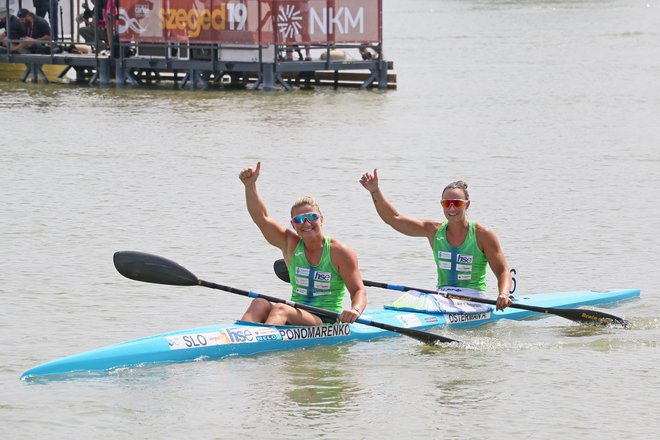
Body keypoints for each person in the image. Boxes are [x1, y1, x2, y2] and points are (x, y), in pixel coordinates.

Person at [359, 169, 513, 311]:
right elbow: (394, 219)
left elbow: (503, 271)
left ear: (467, 205)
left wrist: (504, 294)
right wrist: (375, 191)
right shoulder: (433, 230)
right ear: (442, 205)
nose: (451, 208)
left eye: (457, 203)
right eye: (447, 203)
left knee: (418, 300)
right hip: (442, 297)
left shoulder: (483, 234)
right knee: (411, 297)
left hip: (473, 300)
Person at [239, 161, 367, 325]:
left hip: (326, 320)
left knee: (280, 308)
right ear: (293, 225)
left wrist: (354, 310)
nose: (306, 223)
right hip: (296, 313)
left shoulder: (339, 252)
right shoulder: (289, 244)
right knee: (259, 302)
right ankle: (238, 339)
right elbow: (261, 218)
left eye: (312, 217)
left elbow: (358, 290)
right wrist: (250, 186)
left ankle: (264, 347)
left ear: (321, 219)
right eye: (299, 220)